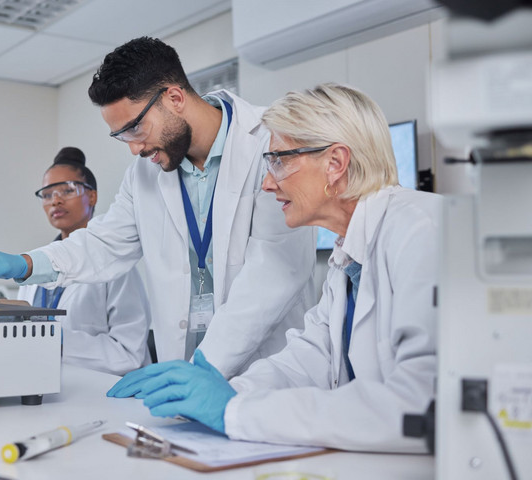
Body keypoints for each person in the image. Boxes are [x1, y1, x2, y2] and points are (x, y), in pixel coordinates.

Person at [126, 83, 441, 453]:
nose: (267, 182)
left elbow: (420, 405)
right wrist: (224, 392)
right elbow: (307, 360)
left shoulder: (421, 232)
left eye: (279, 160)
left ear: (335, 163)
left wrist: (234, 410)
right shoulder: (347, 259)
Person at [0, 37, 316, 382]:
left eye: (135, 128)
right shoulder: (145, 173)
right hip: (183, 368)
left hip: (265, 373)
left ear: (174, 98)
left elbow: (273, 276)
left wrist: (204, 369)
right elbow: (106, 243)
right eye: (121, 136)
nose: (134, 148)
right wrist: (27, 263)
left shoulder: (270, 144)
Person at [17, 147, 152, 375]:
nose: (55, 201)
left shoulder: (117, 266)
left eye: (67, 190)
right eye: (48, 194)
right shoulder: (33, 266)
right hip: (43, 387)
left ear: (92, 196)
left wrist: (57, 341)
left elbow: (130, 354)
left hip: (103, 395)